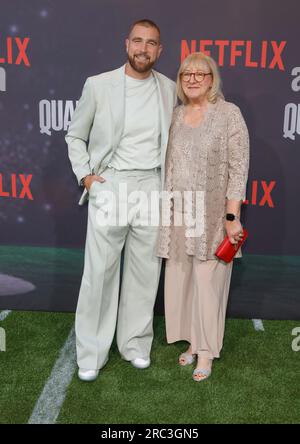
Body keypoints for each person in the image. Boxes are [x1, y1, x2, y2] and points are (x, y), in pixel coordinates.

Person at [66, 19, 177, 381]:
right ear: (127, 44)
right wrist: (86, 177)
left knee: (146, 272)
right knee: (99, 273)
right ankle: (91, 352)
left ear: (160, 50)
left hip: (152, 186)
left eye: (152, 43)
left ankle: (134, 344)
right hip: (111, 185)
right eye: (138, 41)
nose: (144, 49)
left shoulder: (169, 89)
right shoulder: (99, 85)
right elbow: (75, 136)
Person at [157, 52, 249, 382]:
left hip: (211, 216)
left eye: (200, 73)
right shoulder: (177, 116)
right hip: (179, 213)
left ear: (212, 79)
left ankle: (207, 352)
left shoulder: (228, 115)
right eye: (186, 74)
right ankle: (195, 342)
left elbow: (238, 169)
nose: (193, 79)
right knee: (185, 280)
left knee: (208, 283)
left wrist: (231, 215)